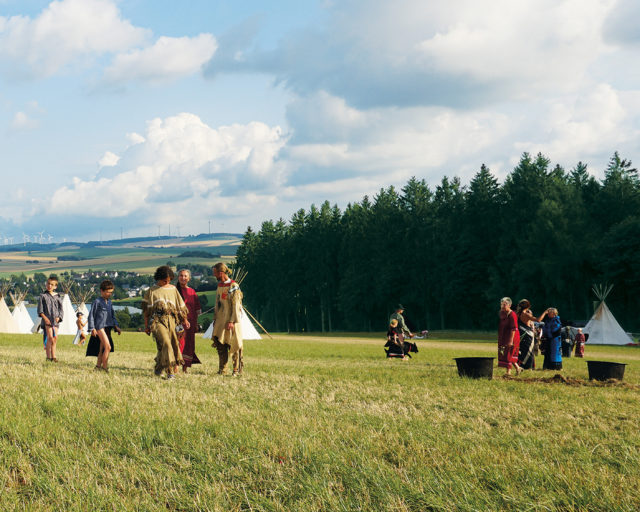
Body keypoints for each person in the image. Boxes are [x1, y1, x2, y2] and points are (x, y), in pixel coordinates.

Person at [142, 266, 189, 379]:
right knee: (166, 344)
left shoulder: (173, 289)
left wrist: (185, 320)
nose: (167, 282)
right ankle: (170, 371)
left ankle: (158, 368)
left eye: (169, 280)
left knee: (169, 345)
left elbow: (180, 307)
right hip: (157, 321)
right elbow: (146, 311)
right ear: (159, 278)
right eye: (165, 280)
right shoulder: (152, 290)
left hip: (172, 320)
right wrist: (146, 326)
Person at [211, 262, 244, 376]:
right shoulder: (220, 285)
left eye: (215, 273)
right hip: (221, 319)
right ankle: (222, 369)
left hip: (231, 320)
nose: (214, 275)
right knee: (221, 344)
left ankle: (235, 370)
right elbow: (217, 303)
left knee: (233, 344)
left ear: (221, 273)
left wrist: (232, 321)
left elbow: (236, 305)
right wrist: (215, 318)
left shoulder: (233, 286)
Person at [86, 280, 122, 372]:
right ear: (102, 291)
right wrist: (92, 328)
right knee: (108, 347)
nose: (109, 294)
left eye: (111, 292)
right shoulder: (97, 301)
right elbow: (91, 315)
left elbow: (112, 315)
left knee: (102, 349)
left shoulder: (109, 302)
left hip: (108, 327)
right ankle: (105, 368)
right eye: (108, 292)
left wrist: (116, 326)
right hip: (99, 327)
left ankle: (98, 367)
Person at [176, 269, 202, 373]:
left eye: (185, 276)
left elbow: (196, 309)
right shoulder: (174, 290)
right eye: (181, 276)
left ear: (189, 278)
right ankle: (176, 366)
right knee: (178, 343)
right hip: (178, 322)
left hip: (190, 324)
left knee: (188, 344)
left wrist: (195, 324)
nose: (183, 278)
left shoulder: (192, 292)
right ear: (178, 277)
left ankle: (185, 368)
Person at [37, 275, 63, 362]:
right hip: (47, 320)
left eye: (52, 284)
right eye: (48, 284)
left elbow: (61, 309)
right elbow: (40, 310)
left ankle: (54, 356)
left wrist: (59, 317)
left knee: (55, 338)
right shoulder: (43, 296)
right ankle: (48, 357)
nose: (49, 286)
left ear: (55, 286)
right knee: (50, 337)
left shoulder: (58, 296)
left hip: (55, 320)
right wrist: (45, 318)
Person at [498, 297, 522, 376]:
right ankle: (518, 368)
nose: (503, 306)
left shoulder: (512, 315)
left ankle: (508, 372)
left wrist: (510, 341)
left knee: (509, 352)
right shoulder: (502, 313)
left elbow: (513, 329)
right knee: (506, 353)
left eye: (505, 304)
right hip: (505, 335)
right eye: (502, 304)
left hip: (512, 336)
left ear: (509, 305)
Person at [515, 299, 537, 370]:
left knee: (522, 350)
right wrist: (545, 312)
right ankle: (528, 366)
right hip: (527, 334)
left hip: (520, 333)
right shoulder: (525, 315)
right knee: (529, 351)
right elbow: (538, 320)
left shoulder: (517, 314)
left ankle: (521, 364)